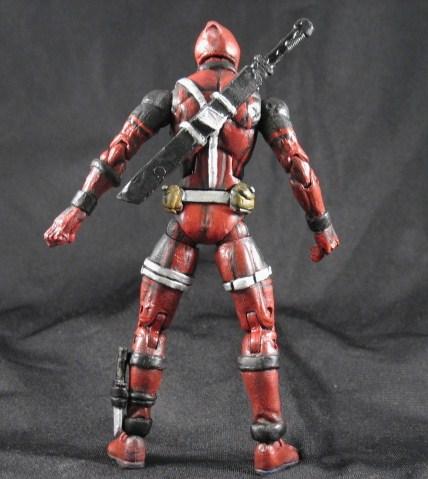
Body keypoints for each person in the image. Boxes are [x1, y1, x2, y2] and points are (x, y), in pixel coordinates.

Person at [44, 20, 339, 475]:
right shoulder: (261, 104)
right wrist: (322, 227)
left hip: (183, 223)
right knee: (259, 328)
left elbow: (117, 153)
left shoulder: (169, 99)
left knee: (151, 325)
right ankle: (269, 444)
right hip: (230, 224)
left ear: (200, 56)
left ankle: (131, 441)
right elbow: (299, 169)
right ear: (236, 59)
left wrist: (76, 210)